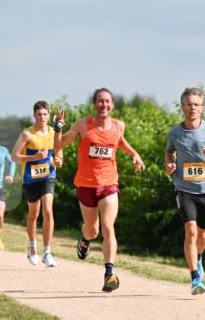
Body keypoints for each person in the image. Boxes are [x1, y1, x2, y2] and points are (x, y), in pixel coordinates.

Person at [54, 88, 144, 292]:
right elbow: (59, 145)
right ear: (95, 104)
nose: (104, 104)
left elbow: (119, 141)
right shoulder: (82, 125)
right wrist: (58, 127)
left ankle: (109, 274)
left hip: (109, 184)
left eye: (107, 101)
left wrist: (134, 154)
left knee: (107, 226)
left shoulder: (119, 125)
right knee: (92, 230)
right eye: (100, 101)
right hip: (86, 185)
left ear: (112, 104)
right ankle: (85, 238)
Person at [164, 86, 205, 295]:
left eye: (196, 104)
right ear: (182, 106)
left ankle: (198, 257)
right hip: (184, 189)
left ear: (202, 107)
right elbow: (169, 152)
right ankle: (195, 278)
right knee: (191, 230)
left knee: (203, 234)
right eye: (188, 104)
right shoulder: (175, 133)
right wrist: (170, 165)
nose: (192, 108)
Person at [11, 101, 62, 267]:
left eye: (45, 114)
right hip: (30, 178)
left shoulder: (53, 132)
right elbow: (14, 156)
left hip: (48, 175)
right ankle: (32, 247)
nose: (42, 117)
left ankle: (47, 252)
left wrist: (59, 159)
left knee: (48, 210)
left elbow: (59, 150)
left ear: (49, 115)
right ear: (34, 116)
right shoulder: (27, 134)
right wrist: (34, 157)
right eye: (39, 114)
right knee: (34, 214)